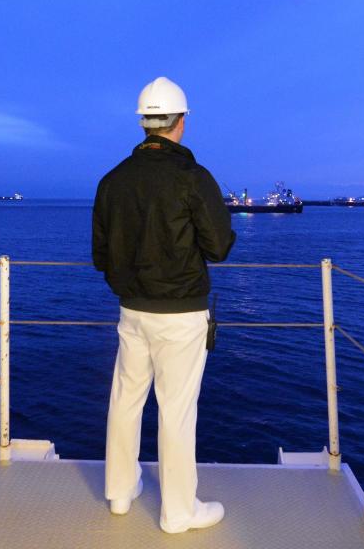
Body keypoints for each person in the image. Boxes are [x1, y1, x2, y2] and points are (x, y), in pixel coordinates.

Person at [92, 76, 236, 534]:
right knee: (175, 410)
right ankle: (178, 512)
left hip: (132, 310)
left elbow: (101, 256)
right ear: (180, 123)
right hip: (181, 312)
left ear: (144, 123)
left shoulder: (112, 180)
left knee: (125, 399)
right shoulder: (193, 178)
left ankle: (119, 492)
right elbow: (219, 247)